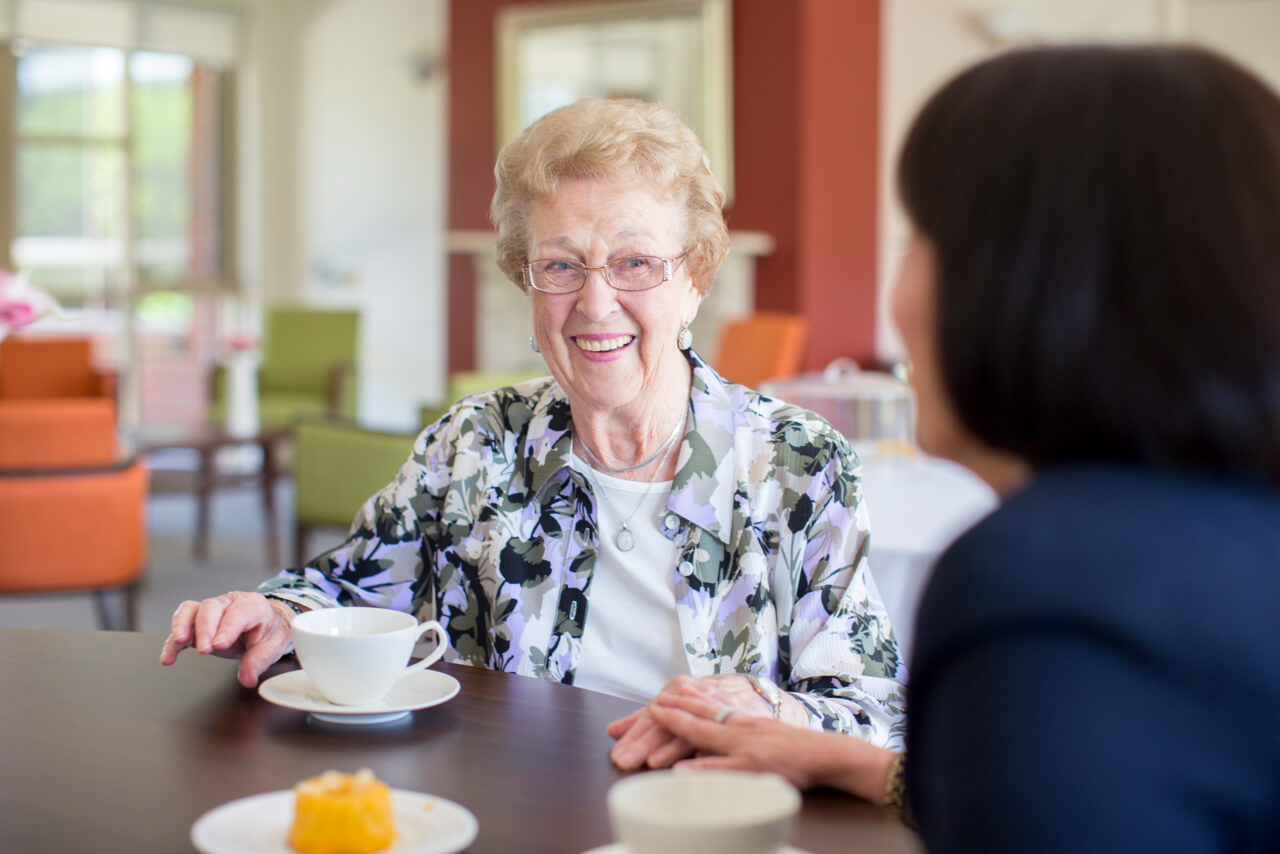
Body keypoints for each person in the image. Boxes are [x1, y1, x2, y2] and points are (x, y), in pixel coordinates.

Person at [647, 44, 1280, 852]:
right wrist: (866, 766)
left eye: (919, 239)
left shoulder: (1047, 587)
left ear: (1028, 287)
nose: (897, 297)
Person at [160, 97, 908, 767]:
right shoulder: (473, 442)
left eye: (635, 262)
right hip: (509, 819)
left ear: (696, 278)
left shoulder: (795, 462)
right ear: (526, 279)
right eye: (560, 266)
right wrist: (278, 613)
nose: (595, 301)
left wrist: (766, 711)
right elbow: (345, 589)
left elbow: (873, 715)